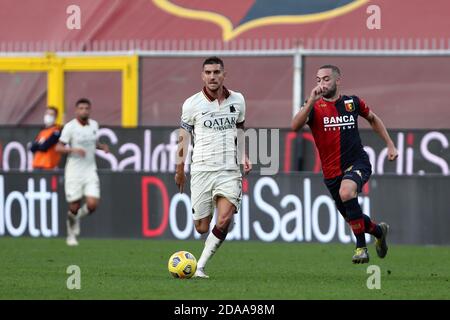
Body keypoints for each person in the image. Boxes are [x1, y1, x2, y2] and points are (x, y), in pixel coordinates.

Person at [291, 65, 398, 263]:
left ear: (337, 81)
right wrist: (310, 101)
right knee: (353, 218)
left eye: (326, 79)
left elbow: (373, 119)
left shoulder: (352, 102)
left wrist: (390, 144)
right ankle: (379, 231)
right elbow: (295, 126)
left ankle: (360, 248)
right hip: (331, 172)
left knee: (347, 192)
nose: (321, 84)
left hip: (357, 162)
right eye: (318, 80)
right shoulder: (313, 106)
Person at [175, 56, 252, 278]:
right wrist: (180, 170)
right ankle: (205, 245)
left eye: (216, 72)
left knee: (225, 219)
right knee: (201, 226)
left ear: (223, 75)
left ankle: (199, 266)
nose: (212, 76)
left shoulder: (238, 100)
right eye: (208, 72)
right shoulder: (191, 104)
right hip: (201, 169)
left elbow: (240, 129)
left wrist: (243, 154)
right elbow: (183, 138)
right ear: (202, 76)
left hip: (229, 170)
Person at [55, 98, 109, 246]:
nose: (84, 110)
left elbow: (92, 143)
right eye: (81, 108)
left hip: (90, 170)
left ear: (90, 110)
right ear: (76, 110)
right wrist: (73, 149)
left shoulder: (94, 125)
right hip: (74, 171)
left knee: (92, 204)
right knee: (74, 206)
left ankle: (76, 218)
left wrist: (101, 147)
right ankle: (71, 235)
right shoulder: (70, 127)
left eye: (86, 108)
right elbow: (58, 148)